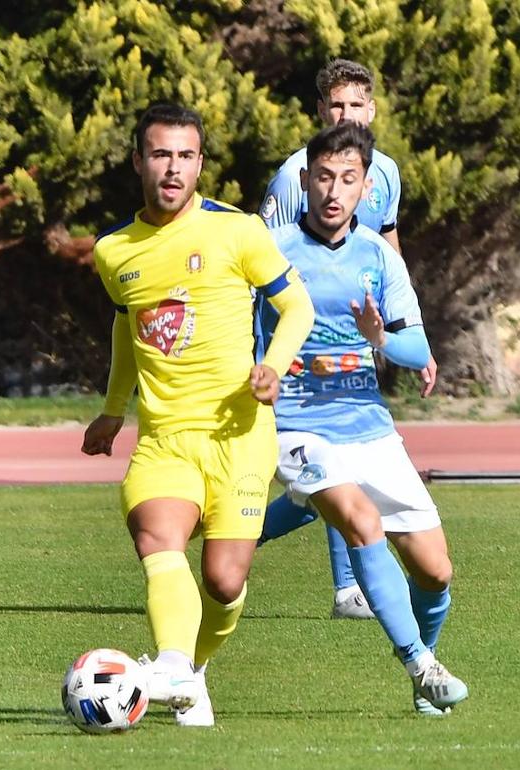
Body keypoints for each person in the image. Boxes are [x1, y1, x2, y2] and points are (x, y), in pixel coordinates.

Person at [81, 102, 314, 727]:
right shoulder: (113, 251)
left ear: (201, 163)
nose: (172, 168)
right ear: (138, 162)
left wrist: (275, 365)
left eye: (185, 156)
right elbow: (130, 329)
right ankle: (173, 663)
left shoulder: (238, 231)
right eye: (160, 154)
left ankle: (193, 669)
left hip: (238, 437)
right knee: (159, 541)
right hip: (162, 440)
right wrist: (112, 412)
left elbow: (297, 309)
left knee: (225, 581)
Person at [257, 122, 467, 715]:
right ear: (305, 179)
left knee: (435, 571)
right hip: (293, 424)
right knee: (360, 521)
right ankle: (419, 663)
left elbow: (418, 350)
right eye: (324, 177)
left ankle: (424, 676)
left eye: (348, 179)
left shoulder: (378, 256)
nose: (334, 190)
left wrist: (380, 338)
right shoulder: (268, 249)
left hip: (368, 425)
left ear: (365, 186)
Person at [258, 58, 437, 620]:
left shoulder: (384, 172)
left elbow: (386, 243)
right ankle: (346, 589)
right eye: (336, 106)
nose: (346, 114)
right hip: (296, 360)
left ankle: (231, 533)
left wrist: (401, 330)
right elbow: (263, 262)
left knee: (321, 492)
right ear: (319, 111)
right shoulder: (296, 177)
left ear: (373, 110)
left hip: (360, 337)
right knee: (335, 478)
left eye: (356, 105)